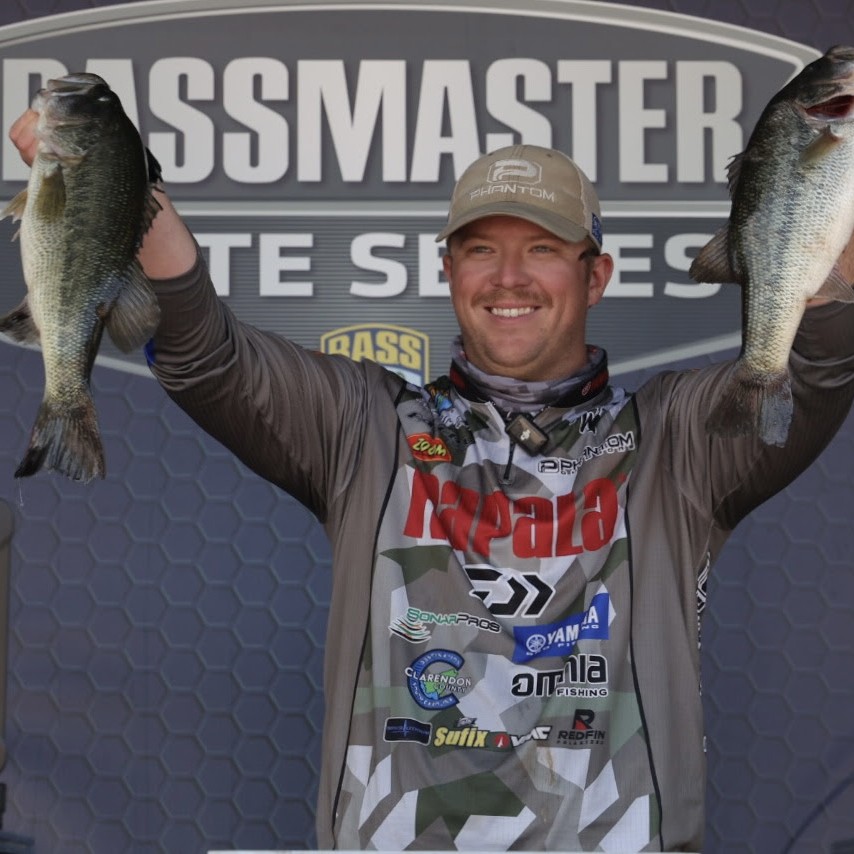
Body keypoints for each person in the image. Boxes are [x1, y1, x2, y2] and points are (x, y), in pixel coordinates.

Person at [10, 105, 854, 851]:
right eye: (481, 249)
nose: (508, 278)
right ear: (447, 271)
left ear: (596, 274)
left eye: (542, 249)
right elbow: (207, 357)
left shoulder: (676, 441)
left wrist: (828, 214)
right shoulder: (368, 427)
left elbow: (817, 372)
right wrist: (111, 179)